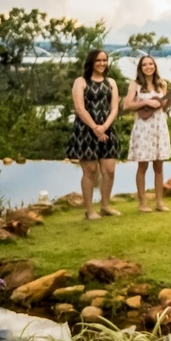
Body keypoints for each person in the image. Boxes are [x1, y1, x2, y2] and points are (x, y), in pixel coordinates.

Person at [67, 49, 121, 221]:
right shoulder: (81, 82)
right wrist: (95, 128)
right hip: (85, 131)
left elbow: (114, 108)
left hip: (107, 130)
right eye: (98, 60)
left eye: (105, 60)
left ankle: (105, 206)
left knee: (110, 170)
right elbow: (80, 108)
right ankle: (89, 210)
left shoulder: (111, 82)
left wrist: (104, 127)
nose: (102, 63)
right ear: (91, 62)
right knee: (90, 171)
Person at [124, 55, 171, 212]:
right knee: (142, 166)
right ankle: (142, 203)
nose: (148, 67)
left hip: (158, 126)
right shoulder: (135, 85)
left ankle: (159, 202)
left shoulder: (161, 84)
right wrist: (146, 102)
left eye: (151, 64)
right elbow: (127, 105)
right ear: (140, 68)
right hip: (143, 128)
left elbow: (162, 107)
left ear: (155, 66)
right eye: (145, 65)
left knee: (159, 166)